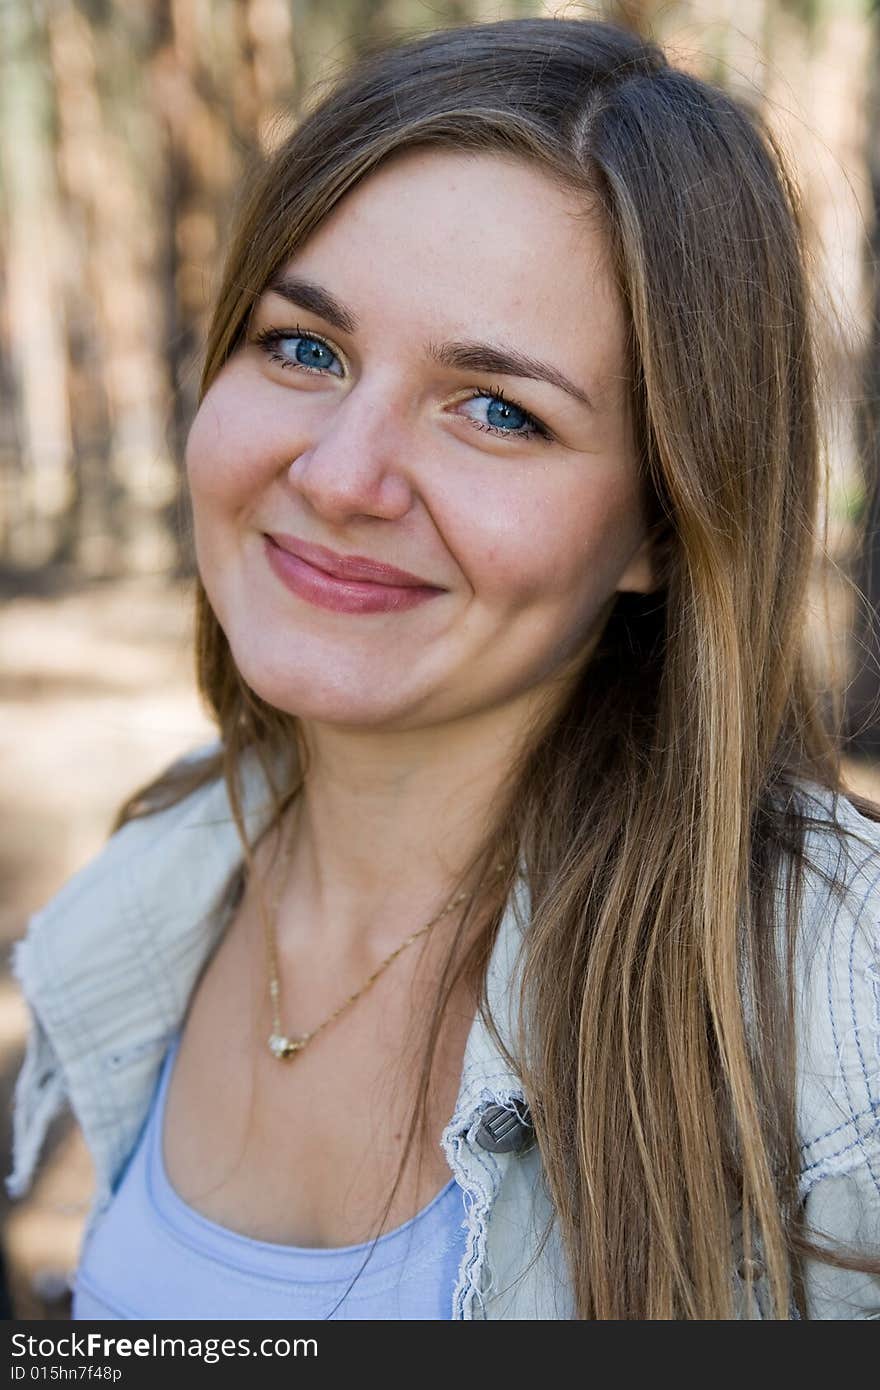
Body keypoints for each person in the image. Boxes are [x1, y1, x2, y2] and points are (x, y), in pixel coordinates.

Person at [7, 15, 880, 1321]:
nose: (341, 476)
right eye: (305, 347)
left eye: (498, 410)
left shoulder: (833, 995)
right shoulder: (157, 878)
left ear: (661, 523)